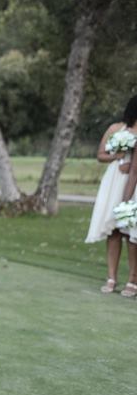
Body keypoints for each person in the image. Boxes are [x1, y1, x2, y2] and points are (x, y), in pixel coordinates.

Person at [86, 96, 137, 296]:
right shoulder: (116, 129)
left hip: (134, 185)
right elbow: (101, 155)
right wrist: (118, 156)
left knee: (131, 233)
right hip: (115, 182)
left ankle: (133, 279)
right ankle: (111, 277)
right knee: (114, 230)